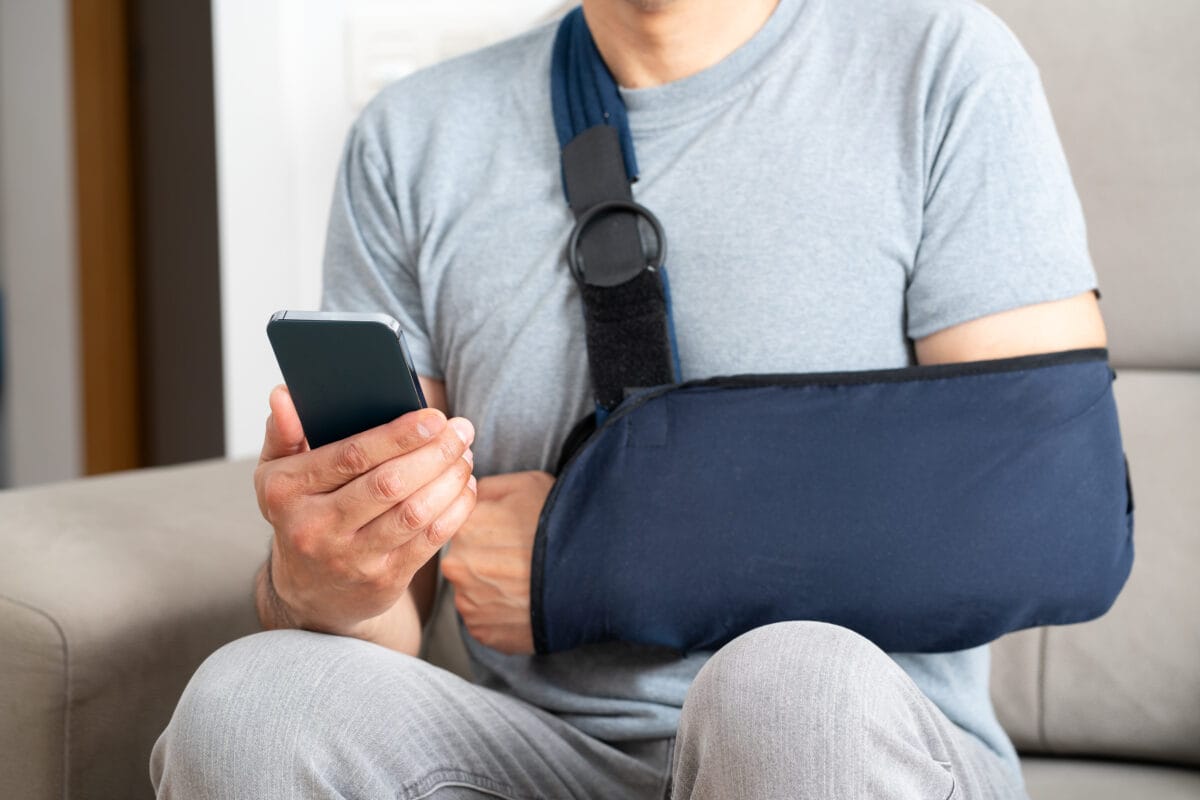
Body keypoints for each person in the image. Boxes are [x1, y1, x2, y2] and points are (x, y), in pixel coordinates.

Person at [151, 0, 1109, 797]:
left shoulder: (939, 67)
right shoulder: (413, 141)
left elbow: (1050, 513)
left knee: (781, 688)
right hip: (545, 755)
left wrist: (596, 554)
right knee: (255, 698)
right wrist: (323, 584)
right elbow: (403, 609)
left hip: (845, 742)